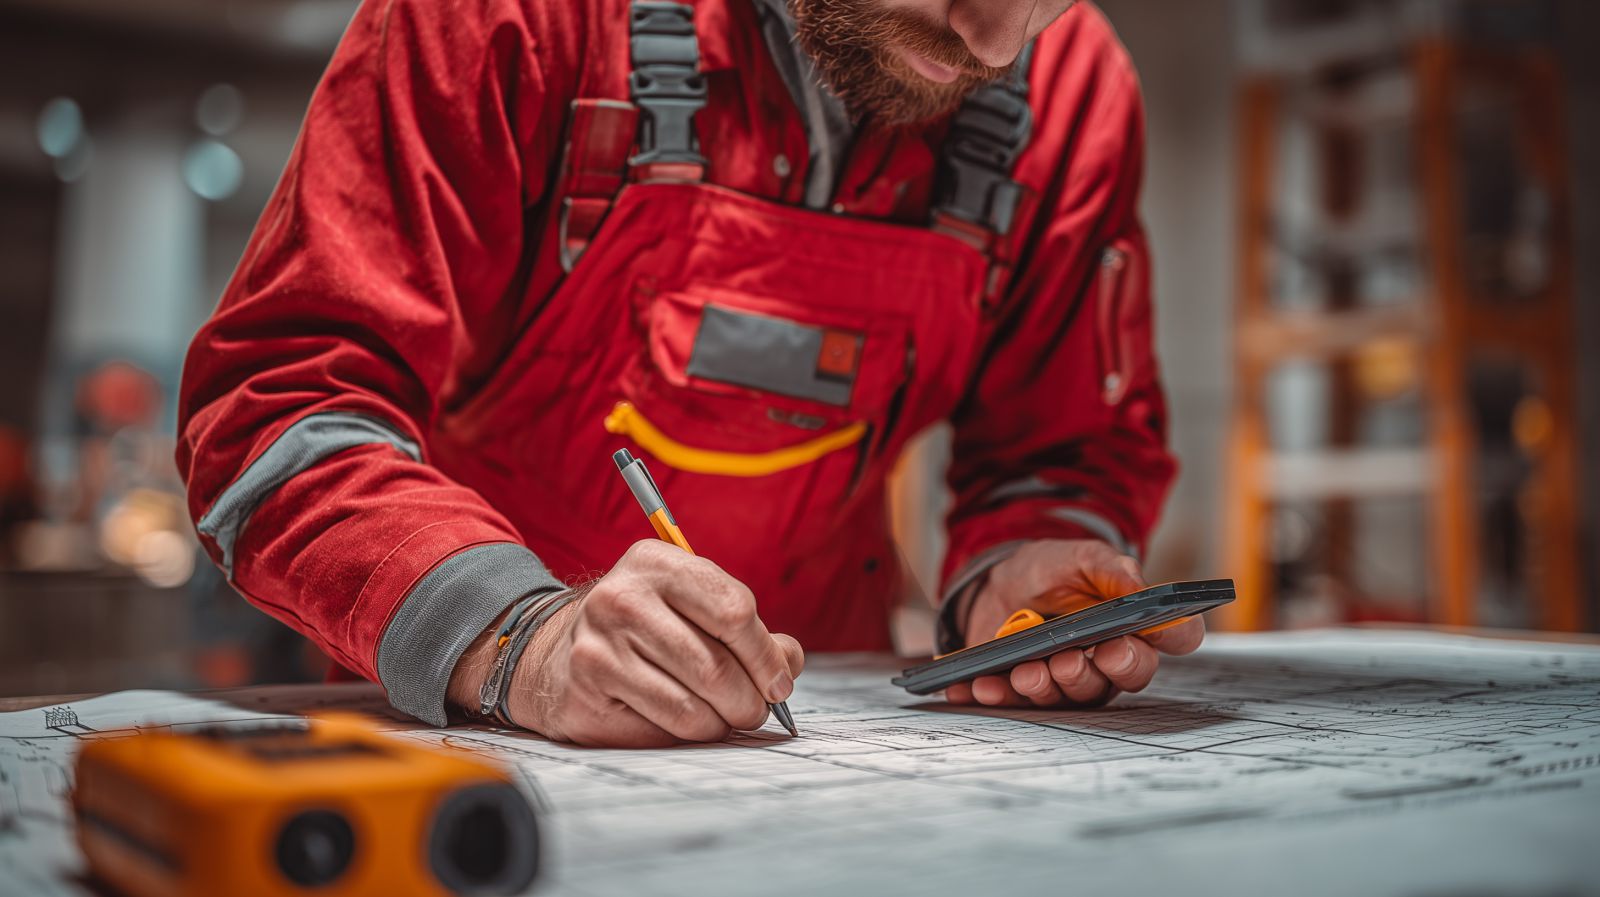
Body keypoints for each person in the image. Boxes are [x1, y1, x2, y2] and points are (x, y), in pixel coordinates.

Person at [178, 0, 1203, 747]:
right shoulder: (520, 17)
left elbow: (1062, 449)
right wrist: (519, 640)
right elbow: (282, 411)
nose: (996, 40)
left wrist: (1020, 578)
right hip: (483, 727)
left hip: (836, 762)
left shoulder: (1068, 88)